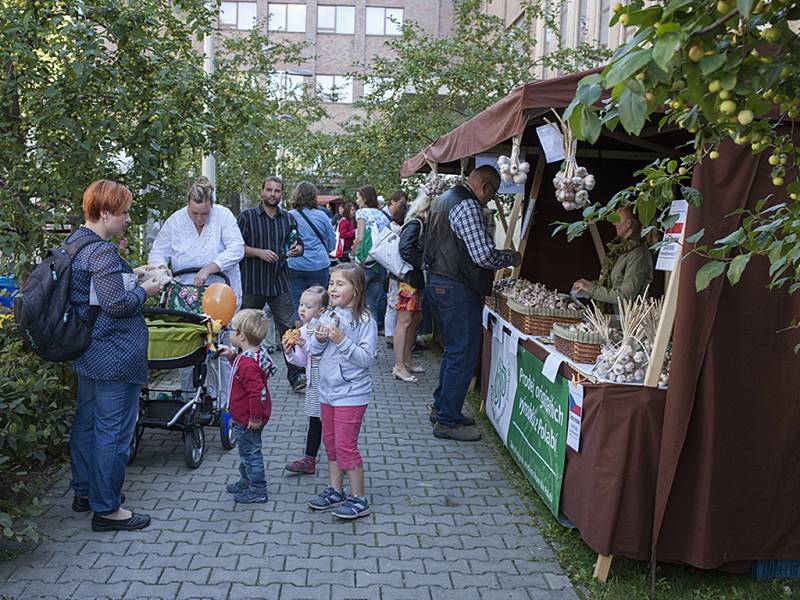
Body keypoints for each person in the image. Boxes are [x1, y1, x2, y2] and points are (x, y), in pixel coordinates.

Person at [68, 180, 163, 531]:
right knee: (113, 432)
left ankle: (84, 492)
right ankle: (107, 509)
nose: (126, 219)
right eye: (122, 213)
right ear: (105, 213)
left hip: (88, 352)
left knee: (87, 424)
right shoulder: (103, 252)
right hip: (114, 354)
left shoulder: (77, 243)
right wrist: (145, 289)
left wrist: (130, 274)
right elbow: (116, 305)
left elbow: (92, 293)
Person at [424, 166, 521, 442]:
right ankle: (447, 421)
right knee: (462, 353)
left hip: (439, 281)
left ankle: (442, 408)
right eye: (492, 196)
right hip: (456, 286)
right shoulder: (466, 205)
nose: (490, 202)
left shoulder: (443, 200)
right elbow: (483, 256)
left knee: (453, 352)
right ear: (485, 188)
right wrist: (510, 258)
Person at [148, 177, 245, 400]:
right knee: (187, 347)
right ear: (187, 206)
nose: (200, 219)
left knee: (220, 348)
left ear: (212, 205)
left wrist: (211, 267)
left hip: (220, 296)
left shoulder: (223, 216)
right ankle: (189, 396)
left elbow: (236, 248)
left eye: (204, 214)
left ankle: (223, 400)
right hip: (186, 296)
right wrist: (162, 269)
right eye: (195, 214)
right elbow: (158, 251)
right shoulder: (175, 221)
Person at [306, 263, 377, 520]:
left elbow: (366, 359)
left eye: (340, 283)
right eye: (331, 282)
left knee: (347, 446)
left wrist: (341, 341)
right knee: (331, 445)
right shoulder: (328, 315)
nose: (332, 288)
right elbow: (314, 349)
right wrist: (321, 339)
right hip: (327, 392)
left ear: (356, 289)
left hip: (352, 394)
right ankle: (335, 490)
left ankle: (359, 499)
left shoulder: (365, 320)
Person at [237, 176, 307, 392]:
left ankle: (296, 376)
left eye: (277, 191)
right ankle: (240, 372)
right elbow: (236, 247)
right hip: (253, 281)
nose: (273, 194)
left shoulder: (288, 219)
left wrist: (298, 250)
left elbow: (299, 243)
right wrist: (258, 253)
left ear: (281, 194)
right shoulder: (247, 217)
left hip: (280, 282)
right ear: (262, 191)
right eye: (269, 190)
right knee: (247, 330)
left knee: (288, 329)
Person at [220, 309, 276, 504]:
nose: (229, 332)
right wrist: (231, 356)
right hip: (244, 417)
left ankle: (258, 489)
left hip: (248, 419)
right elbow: (244, 373)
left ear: (241, 336)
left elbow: (256, 393)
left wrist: (254, 418)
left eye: (232, 330)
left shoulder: (248, 364)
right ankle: (246, 480)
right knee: (246, 451)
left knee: (251, 453)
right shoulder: (249, 355)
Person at [283, 286, 329, 475]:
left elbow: (321, 354)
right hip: (313, 384)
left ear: (321, 311)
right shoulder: (301, 330)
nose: (302, 309)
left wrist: (307, 345)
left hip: (328, 382)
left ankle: (341, 458)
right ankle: (309, 460)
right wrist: (290, 352)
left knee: (331, 423)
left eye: (308, 306)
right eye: (301, 304)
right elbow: (303, 361)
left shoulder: (324, 328)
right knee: (314, 421)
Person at [572, 207, 653, 306]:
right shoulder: (622, 250)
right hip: (617, 315)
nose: (614, 224)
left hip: (629, 318)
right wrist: (591, 285)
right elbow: (615, 284)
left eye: (617, 220)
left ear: (628, 224)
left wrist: (591, 290)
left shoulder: (638, 254)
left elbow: (625, 296)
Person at [392, 191, 431, 383]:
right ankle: (399, 365)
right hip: (408, 280)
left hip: (412, 280)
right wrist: (424, 263)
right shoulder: (417, 223)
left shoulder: (418, 222)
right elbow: (405, 250)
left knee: (414, 318)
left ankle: (406, 358)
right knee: (405, 320)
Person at [287, 182, 336, 323]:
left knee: (298, 305)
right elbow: (332, 244)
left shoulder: (288, 216)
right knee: (319, 304)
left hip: (294, 265)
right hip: (318, 266)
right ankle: (318, 337)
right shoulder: (322, 216)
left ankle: (298, 338)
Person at [351, 185, 390, 331]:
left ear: (365, 198)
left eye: (358, 197)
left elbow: (360, 238)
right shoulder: (382, 215)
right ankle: (371, 334)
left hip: (364, 263)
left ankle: (356, 331)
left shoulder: (362, 213)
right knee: (372, 302)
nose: (356, 200)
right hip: (379, 263)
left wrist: (352, 254)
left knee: (356, 298)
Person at [384, 202, 408, 349]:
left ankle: (389, 335)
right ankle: (392, 336)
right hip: (401, 272)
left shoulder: (389, 227)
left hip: (392, 270)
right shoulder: (404, 229)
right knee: (395, 305)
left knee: (391, 304)